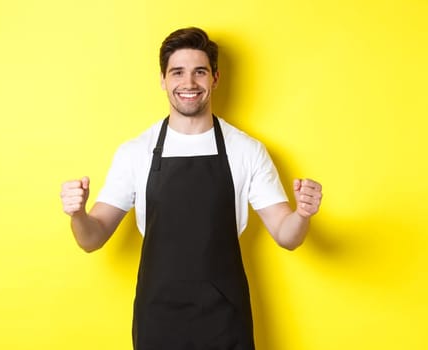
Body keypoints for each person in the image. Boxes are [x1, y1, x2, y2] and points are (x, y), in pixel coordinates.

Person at [59, 27, 323, 349]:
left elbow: (287, 235)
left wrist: (303, 214)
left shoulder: (246, 150)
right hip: (158, 319)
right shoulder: (135, 152)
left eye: (200, 72)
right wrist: (78, 215)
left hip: (225, 320)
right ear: (163, 80)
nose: (189, 83)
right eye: (178, 73)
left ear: (215, 78)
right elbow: (92, 238)